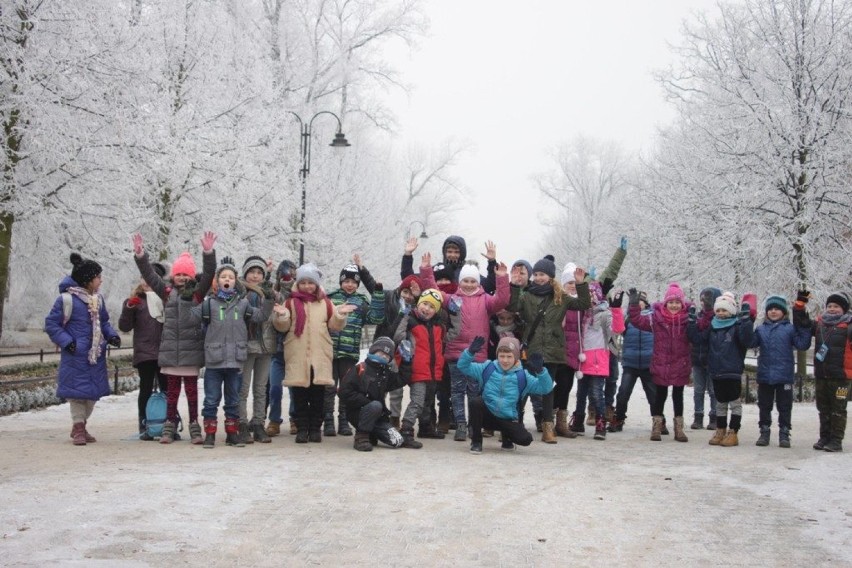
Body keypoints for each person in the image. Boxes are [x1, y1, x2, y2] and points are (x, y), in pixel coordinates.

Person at [133, 232, 217, 444]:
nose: (181, 277)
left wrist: (208, 252)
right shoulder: (167, 292)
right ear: (173, 276)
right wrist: (140, 255)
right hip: (171, 353)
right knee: (171, 393)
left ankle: (194, 425)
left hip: (190, 352)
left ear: (191, 276)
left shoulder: (197, 294)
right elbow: (150, 275)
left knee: (191, 393)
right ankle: (169, 425)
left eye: (185, 274)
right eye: (178, 274)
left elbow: (209, 274)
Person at [419, 251, 510, 442]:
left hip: (477, 356)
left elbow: (502, 300)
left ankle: (472, 425)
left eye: (473, 281)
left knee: (475, 393)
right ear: (459, 282)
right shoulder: (452, 299)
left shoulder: (486, 300)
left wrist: (502, 278)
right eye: (465, 281)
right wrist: (427, 270)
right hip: (455, 354)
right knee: (457, 391)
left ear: (478, 283)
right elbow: (433, 292)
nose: (469, 285)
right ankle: (460, 424)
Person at [190, 258, 274, 448]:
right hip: (214, 361)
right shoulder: (208, 304)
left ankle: (232, 433)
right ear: (217, 280)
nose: (227, 279)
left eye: (230, 277)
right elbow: (188, 317)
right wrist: (188, 298)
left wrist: (269, 299)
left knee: (233, 400)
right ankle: (210, 434)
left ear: (236, 281)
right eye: (223, 276)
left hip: (235, 360)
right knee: (211, 399)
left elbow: (261, 316)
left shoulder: (242, 304)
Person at [507, 257, 590, 443]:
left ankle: (548, 428)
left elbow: (583, 304)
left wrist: (581, 284)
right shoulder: (527, 295)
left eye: (542, 274)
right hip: (532, 348)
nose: (538, 277)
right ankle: (515, 425)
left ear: (551, 276)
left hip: (553, 350)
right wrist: (514, 286)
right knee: (524, 387)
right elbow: (512, 307)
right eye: (535, 274)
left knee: (547, 389)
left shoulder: (560, 297)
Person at [271, 263, 356, 443]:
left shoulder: (325, 302)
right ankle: (302, 428)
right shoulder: (291, 302)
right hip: (297, 354)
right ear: (298, 283)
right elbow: (283, 327)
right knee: (300, 395)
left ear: (317, 284)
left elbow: (334, 325)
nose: (307, 286)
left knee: (318, 394)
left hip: (319, 354)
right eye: (303, 282)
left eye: (311, 282)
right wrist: (282, 316)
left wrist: (340, 314)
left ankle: (315, 428)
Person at [44, 253, 121, 445]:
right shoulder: (66, 300)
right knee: (76, 395)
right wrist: (67, 341)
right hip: (75, 354)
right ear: (87, 280)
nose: (101, 280)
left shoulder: (98, 300)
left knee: (92, 394)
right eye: (98, 277)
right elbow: (51, 324)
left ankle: (80, 426)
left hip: (95, 356)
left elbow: (104, 322)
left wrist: (111, 335)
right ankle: (78, 427)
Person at [458, 336, 554, 453]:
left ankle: (507, 438)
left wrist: (541, 371)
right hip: (487, 416)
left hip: (507, 418)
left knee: (526, 439)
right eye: (502, 356)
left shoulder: (523, 376)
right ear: (497, 355)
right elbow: (463, 366)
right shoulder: (487, 368)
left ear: (516, 357)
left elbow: (546, 388)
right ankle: (476, 441)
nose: (505, 360)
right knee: (475, 402)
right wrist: (470, 352)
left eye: (509, 357)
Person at [326, 256, 385, 437]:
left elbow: (375, 318)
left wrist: (378, 295)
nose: (350, 285)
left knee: (346, 387)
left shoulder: (361, 301)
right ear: (341, 281)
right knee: (328, 387)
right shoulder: (331, 298)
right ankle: (328, 420)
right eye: (346, 281)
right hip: (329, 350)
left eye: (353, 282)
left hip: (349, 352)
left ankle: (344, 420)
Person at [627, 283, 692, 442]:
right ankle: (657, 426)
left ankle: (679, 429)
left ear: (682, 304)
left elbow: (701, 329)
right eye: (671, 302)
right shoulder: (656, 318)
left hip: (680, 363)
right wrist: (634, 305)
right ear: (665, 303)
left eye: (677, 302)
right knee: (659, 396)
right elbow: (637, 321)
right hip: (661, 362)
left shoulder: (688, 319)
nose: (674, 305)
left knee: (678, 396)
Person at [689, 291, 754, 447]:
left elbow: (747, 340)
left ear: (731, 311)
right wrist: (691, 322)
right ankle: (720, 429)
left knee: (734, 403)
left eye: (724, 310)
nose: (720, 313)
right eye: (718, 310)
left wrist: (746, 320)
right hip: (716, 371)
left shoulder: (737, 326)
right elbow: (697, 339)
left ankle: (733, 431)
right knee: (720, 403)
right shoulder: (712, 326)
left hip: (732, 371)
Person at [750, 294, 812, 448]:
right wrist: (746, 322)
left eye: (777, 309)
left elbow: (803, 345)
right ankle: (764, 431)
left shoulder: (790, 329)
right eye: (770, 309)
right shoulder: (761, 329)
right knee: (764, 405)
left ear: (784, 312)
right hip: (765, 375)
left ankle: (784, 432)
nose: (773, 311)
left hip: (784, 376)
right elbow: (750, 342)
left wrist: (804, 326)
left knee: (784, 406)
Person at [795, 290, 851, 453]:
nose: (832, 309)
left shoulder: (849, 326)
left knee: (838, 408)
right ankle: (824, 437)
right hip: (822, 376)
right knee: (823, 408)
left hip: (842, 378)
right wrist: (799, 305)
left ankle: (836, 440)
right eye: (830, 306)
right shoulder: (820, 324)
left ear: (845, 309)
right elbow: (801, 322)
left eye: (837, 306)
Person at [392, 288, 447, 449]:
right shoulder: (411, 321)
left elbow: (453, 335)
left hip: (433, 370)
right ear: (418, 304)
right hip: (417, 368)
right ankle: (406, 430)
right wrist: (404, 315)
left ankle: (425, 427)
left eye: (432, 306)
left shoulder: (439, 326)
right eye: (424, 304)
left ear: (436, 310)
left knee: (428, 401)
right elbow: (397, 336)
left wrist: (456, 315)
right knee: (417, 401)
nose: (427, 309)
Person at [118, 266, 168, 440]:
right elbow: (124, 327)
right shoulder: (136, 300)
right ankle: (145, 424)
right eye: (143, 277)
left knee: (167, 389)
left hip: (164, 352)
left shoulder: (166, 299)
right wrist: (128, 308)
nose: (146, 282)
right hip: (145, 352)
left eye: (151, 278)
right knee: (145, 389)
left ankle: (168, 424)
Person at [571, 282, 625, 440]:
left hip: (597, 360)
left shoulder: (604, 313)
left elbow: (617, 330)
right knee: (581, 394)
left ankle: (600, 422)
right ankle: (578, 420)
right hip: (583, 359)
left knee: (596, 393)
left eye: (591, 295)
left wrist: (616, 310)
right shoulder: (581, 314)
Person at [338, 337, 407, 451]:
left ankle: (371, 434)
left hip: (378, 416)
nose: (383, 356)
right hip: (357, 412)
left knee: (397, 440)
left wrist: (406, 362)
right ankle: (361, 437)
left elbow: (401, 379)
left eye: (387, 355)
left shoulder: (385, 373)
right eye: (381, 353)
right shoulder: (360, 368)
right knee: (375, 405)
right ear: (373, 351)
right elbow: (344, 392)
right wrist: (367, 402)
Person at [374, 273, 421, 429]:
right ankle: (378, 414)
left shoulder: (416, 309)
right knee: (379, 384)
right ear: (399, 291)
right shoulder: (391, 302)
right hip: (384, 348)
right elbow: (374, 291)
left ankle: (395, 417)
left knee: (396, 387)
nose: (407, 296)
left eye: (410, 293)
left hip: (402, 350)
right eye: (404, 292)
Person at [238, 255, 277, 444]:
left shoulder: (269, 292)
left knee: (261, 389)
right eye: (252, 272)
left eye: (259, 272)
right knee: (243, 389)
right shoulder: (239, 292)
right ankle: (242, 423)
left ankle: (259, 422)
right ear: (245, 273)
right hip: (246, 346)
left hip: (266, 346)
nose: (255, 276)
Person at [610, 291, 656, 432]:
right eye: (634, 302)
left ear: (646, 303)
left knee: (653, 395)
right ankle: (619, 418)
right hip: (630, 363)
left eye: (640, 301)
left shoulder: (652, 318)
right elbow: (617, 329)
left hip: (649, 363)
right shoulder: (627, 318)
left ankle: (659, 420)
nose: (637, 304)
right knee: (623, 393)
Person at [265, 259, 296, 437]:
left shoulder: (299, 297)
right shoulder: (275, 295)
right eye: (284, 276)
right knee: (275, 388)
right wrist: (268, 273)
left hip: (293, 350)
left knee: (295, 389)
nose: (287, 279)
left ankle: (294, 418)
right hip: (277, 352)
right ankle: (274, 420)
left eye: (291, 276)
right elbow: (267, 291)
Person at [690, 287, 721, 430]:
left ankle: (714, 416)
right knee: (698, 390)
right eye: (702, 299)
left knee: (713, 390)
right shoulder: (697, 317)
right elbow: (693, 337)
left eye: (707, 299)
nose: (704, 303)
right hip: (697, 358)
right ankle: (698, 416)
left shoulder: (718, 319)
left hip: (713, 359)